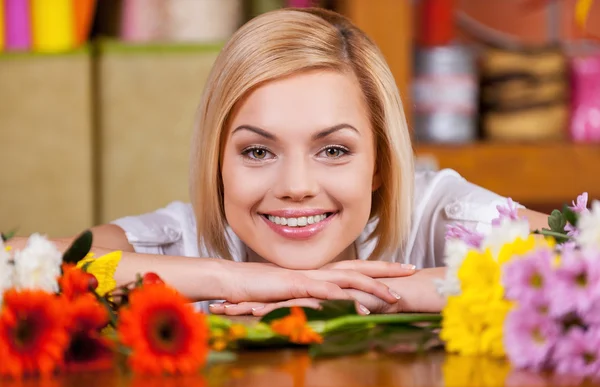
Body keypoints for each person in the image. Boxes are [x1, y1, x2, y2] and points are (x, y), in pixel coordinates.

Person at [10, 8, 548, 315]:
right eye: (257, 151)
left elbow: (580, 257)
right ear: (217, 162)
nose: (295, 186)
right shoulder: (184, 241)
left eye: (334, 150)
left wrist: (382, 294)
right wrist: (233, 279)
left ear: (381, 161)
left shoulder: (435, 214)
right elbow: (14, 268)